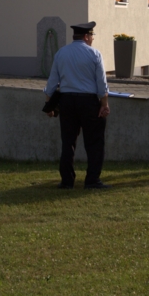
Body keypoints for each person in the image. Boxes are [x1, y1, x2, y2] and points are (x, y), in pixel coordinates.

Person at [44, 21, 111, 189]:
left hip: (67, 102)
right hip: (89, 102)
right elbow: (101, 84)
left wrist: (49, 106)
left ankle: (67, 181)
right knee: (94, 142)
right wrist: (104, 104)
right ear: (86, 36)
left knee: (68, 142)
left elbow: (52, 83)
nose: (93, 39)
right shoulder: (94, 54)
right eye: (92, 36)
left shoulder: (61, 53)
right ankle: (92, 180)